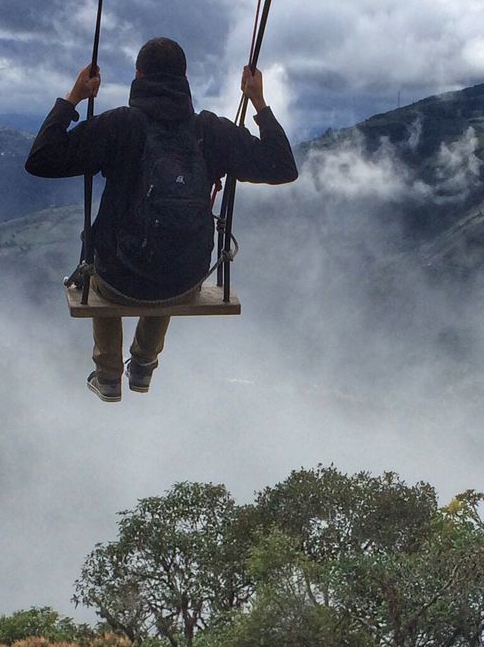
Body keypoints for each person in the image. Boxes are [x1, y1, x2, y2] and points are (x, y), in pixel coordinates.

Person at [25, 37, 299, 402]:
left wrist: (73, 97)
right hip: (185, 283)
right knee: (176, 246)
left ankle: (108, 374)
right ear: (184, 79)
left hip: (119, 281)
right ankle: (143, 364)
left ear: (139, 75)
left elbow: (41, 159)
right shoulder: (209, 131)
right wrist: (258, 102)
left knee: (99, 251)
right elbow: (283, 166)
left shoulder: (120, 126)